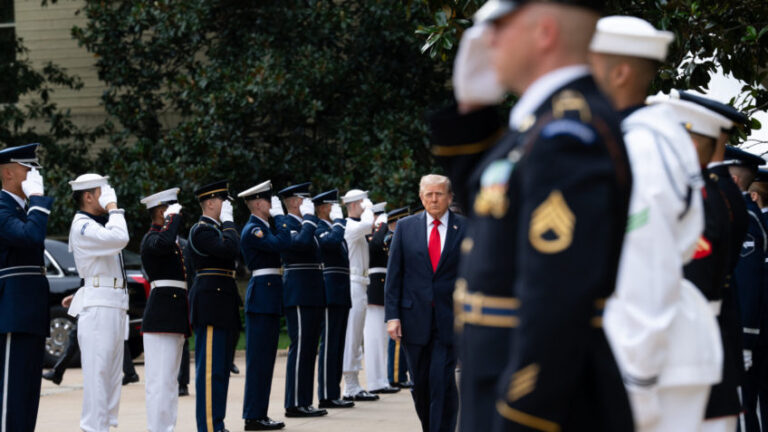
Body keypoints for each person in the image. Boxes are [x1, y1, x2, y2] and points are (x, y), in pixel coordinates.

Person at [430, 1, 633, 430]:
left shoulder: (567, 133)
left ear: (544, 32)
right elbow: (488, 208)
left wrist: (523, 412)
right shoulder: (539, 125)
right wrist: (472, 109)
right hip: (499, 378)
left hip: (539, 402)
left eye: (499, 26)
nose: (487, 40)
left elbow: (558, 295)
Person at [590, 17, 723, 432]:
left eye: (587, 65)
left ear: (620, 72)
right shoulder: (634, 139)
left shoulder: (641, 149)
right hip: (646, 348)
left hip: (648, 357)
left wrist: (637, 380)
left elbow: (645, 267)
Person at [384, 174, 466, 432]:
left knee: (442, 382)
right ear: (421, 198)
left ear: (449, 197)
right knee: (420, 386)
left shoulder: (465, 228)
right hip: (413, 319)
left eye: (439, 194)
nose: (434, 199)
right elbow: (394, 275)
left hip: (449, 318)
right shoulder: (405, 227)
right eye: (429, 194)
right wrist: (392, 316)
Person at [67, 173, 130, 432]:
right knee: (98, 377)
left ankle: (104, 427)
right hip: (99, 307)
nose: (107, 196)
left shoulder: (99, 224)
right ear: (88, 196)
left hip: (114, 303)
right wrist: (114, 208)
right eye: (102, 191)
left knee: (112, 379)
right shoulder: (82, 225)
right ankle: (93, 427)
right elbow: (120, 238)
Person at [0, 143, 53, 432]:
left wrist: (34, 203)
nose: (34, 175)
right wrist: (38, 201)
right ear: (8, 173)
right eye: (28, 169)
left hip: (30, 310)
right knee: (11, 394)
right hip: (12, 311)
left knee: (28, 394)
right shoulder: (2, 207)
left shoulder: (22, 209)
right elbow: (30, 237)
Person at [187, 180, 241, 432]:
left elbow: (236, 250)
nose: (226, 206)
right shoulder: (202, 230)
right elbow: (229, 249)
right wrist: (229, 223)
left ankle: (216, 423)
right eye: (223, 200)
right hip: (210, 304)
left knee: (220, 369)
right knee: (210, 370)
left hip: (223, 301)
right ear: (210, 202)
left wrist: (228, 225)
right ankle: (209, 426)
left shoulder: (218, 229)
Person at [722, 146, 768, 432]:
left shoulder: (745, 219)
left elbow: (748, 282)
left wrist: (746, 339)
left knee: (744, 409)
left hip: (743, 332)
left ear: (734, 180)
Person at [239, 180, 290, 431]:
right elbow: (281, 244)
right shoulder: (254, 229)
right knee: (259, 361)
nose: (272, 205)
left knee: (266, 360)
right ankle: (253, 416)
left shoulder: (263, 227)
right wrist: (281, 218)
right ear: (259, 203)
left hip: (268, 296)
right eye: (269, 201)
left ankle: (259, 413)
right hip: (261, 298)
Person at [139, 187, 190, 432]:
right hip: (161, 316)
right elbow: (165, 242)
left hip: (174, 315)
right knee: (159, 381)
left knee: (169, 381)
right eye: (171, 209)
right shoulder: (152, 239)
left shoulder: (167, 239)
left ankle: (166, 427)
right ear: (161, 211)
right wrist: (173, 220)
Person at [277, 182, 328, 418]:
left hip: (312, 290)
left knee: (309, 348)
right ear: (296, 202)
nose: (309, 204)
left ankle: (305, 401)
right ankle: (294, 403)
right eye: (305, 199)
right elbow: (300, 244)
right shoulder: (286, 223)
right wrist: (308, 220)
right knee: (300, 348)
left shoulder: (305, 224)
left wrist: (308, 221)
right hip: (298, 290)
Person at [313, 189, 356, 409]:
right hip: (329, 292)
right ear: (322, 208)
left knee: (338, 345)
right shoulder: (320, 228)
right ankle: (326, 394)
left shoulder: (332, 228)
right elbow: (330, 243)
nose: (335, 209)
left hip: (341, 292)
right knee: (330, 345)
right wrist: (339, 222)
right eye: (331, 205)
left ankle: (334, 392)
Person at [341, 189, 379, 401]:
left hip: (361, 283)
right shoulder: (350, 226)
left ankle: (354, 383)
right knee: (352, 335)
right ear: (355, 204)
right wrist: (369, 209)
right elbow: (367, 225)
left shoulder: (357, 227)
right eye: (362, 202)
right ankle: (350, 385)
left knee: (356, 335)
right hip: (353, 284)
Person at [365, 202, 400, 394]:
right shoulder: (369, 234)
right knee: (374, 339)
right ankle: (374, 382)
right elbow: (376, 245)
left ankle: (381, 380)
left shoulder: (381, 234)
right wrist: (383, 224)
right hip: (375, 288)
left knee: (382, 339)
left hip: (382, 287)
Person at [381, 207, 412, 389]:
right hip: (400, 290)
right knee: (397, 339)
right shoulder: (391, 239)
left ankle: (400, 374)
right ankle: (395, 375)